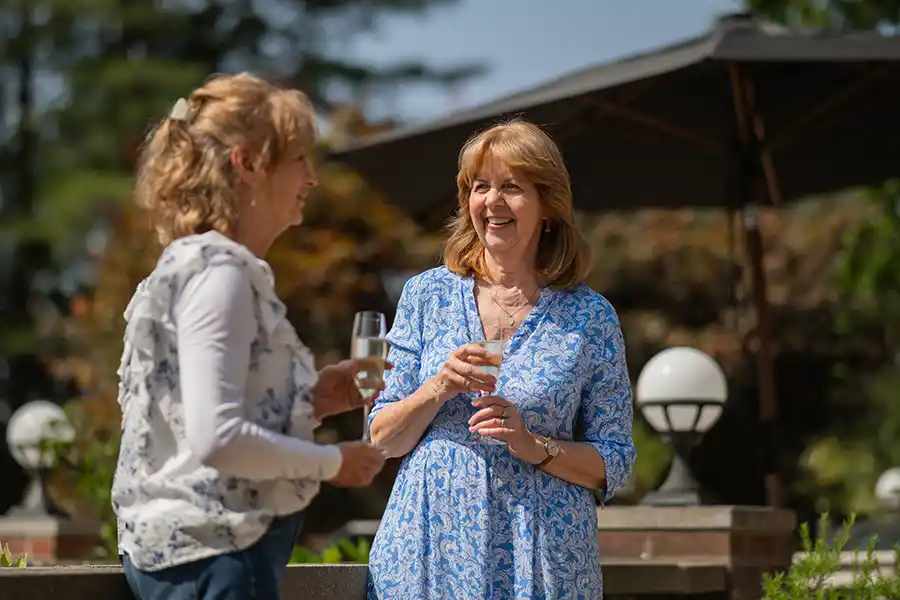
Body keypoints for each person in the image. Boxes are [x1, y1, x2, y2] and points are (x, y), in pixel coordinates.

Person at [110, 72, 387, 600]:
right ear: (248, 164)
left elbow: (185, 420)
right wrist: (335, 463)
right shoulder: (222, 273)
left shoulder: (180, 270)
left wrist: (312, 399)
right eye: (300, 159)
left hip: (185, 558)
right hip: (219, 561)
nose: (312, 177)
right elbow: (217, 438)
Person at [367, 120, 636, 599]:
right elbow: (382, 438)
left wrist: (532, 444)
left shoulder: (589, 315)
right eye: (479, 187)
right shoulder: (426, 295)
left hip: (545, 554)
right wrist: (438, 387)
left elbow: (614, 458)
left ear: (548, 207)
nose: (491, 201)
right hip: (431, 548)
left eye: (511, 187)